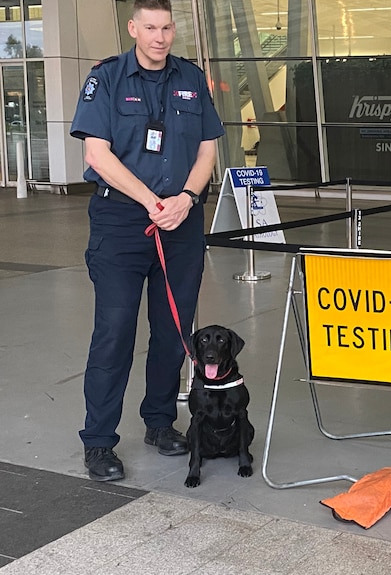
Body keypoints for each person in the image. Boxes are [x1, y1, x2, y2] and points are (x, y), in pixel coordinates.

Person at [70, 0, 225, 482]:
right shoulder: (108, 77)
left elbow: (207, 149)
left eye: (167, 28)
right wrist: (150, 200)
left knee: (172, 331)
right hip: (122, 221)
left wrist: (184, 197)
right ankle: (99, 441)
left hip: (181, 222)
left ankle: (160, 422)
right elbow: (97, 153)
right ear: (134, 28)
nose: (160, 37)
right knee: (114, 332)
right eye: (150, 27)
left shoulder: (191, 78)